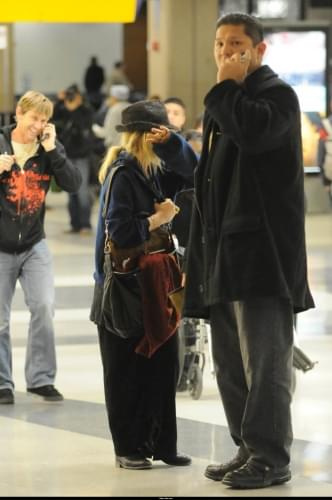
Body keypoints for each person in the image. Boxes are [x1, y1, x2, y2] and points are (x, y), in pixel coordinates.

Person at [182, 13, 314, 490]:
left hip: (264, 257)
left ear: (258, 50)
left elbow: (254, 134)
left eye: (235, 44)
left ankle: (272, 455)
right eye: (219, 44)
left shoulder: (276, 96)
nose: (224, 52)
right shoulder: (228, 101)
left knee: (266, 364)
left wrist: (224, 89)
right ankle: (247, 447)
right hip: (224, 255)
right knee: (231, 365)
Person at [91, 99, 197, 470]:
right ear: (141, 138)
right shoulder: (123, 174)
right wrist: (159, 218)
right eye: (155, 134)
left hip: (154, 284)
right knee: (126, 370)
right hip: (123, 286)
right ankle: (129, 447)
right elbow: (119, 231)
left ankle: (163, 444)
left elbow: (193, 172)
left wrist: (173, 142)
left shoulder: (155, 170)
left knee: (162, 364)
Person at [0, 90, 82, 404]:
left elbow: (74, 183)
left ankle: (41, 378)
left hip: (34, 243)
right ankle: (2, 383)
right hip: (1, 245)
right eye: (34, 118)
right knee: (1, 319)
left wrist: (53, 149)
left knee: (44, 308)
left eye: (44, 120)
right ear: (19, 113)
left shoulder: (48, 148)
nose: (39, 125)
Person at [55, 85, 94, 234]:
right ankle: (74, 224)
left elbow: (85, 124)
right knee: (71, 191)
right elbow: (53, 119)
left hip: (82, 156)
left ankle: (86, 224)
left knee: (82, 191)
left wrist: (78, 105)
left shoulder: (85, 111)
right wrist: (59, 102)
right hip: (67, 155)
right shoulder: (63, 110)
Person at [92, 84, 130, 149]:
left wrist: (94, 127)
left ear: (114, 97)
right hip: (129, 146)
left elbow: (106, 133)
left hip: (116, 148)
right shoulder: (131, 106)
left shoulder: (114, 110)